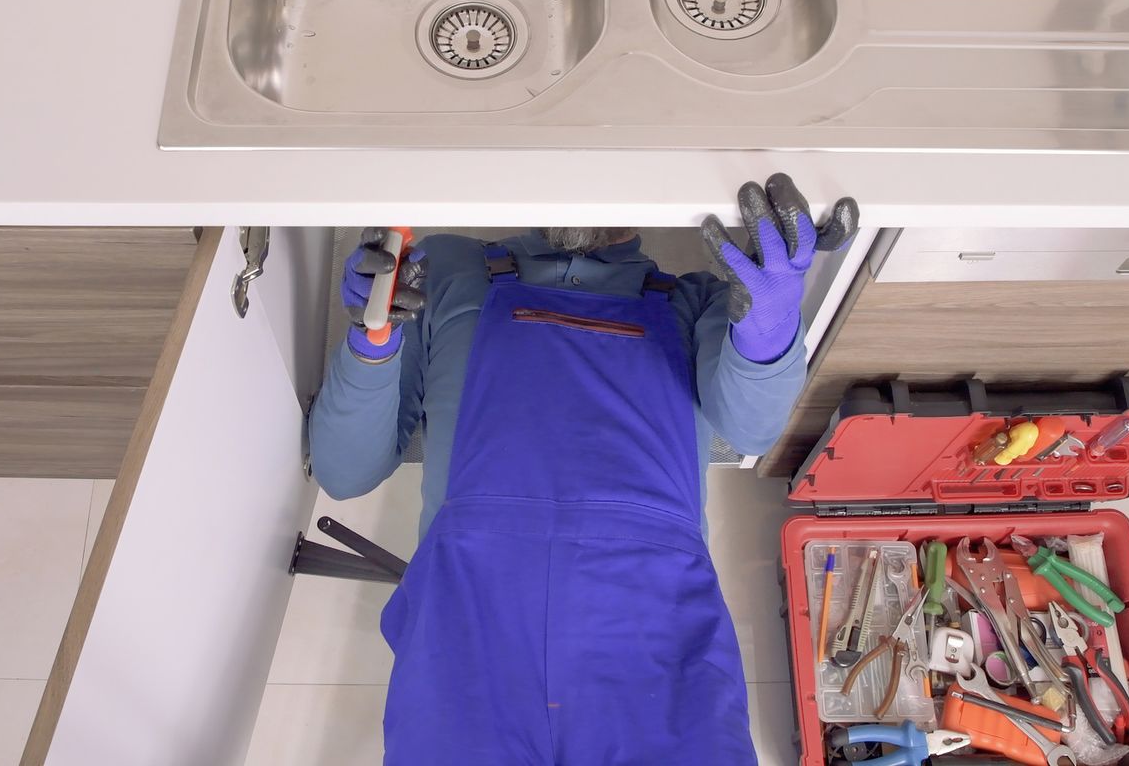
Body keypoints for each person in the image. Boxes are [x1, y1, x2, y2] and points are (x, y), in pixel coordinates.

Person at [308, 175, 857, 765]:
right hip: (472, 636)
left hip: (653, 649)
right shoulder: (446, 268)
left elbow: (751, 428)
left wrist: (768, 329)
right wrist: (372, 337)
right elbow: (344, 470)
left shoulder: (695, 300)